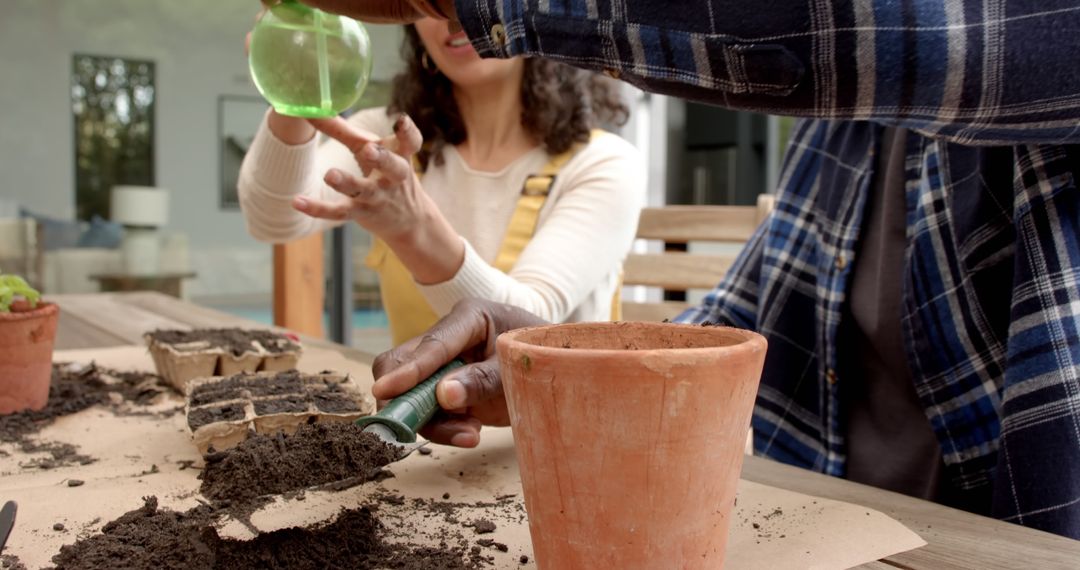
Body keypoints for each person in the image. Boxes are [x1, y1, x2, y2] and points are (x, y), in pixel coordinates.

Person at [300, 0, 1080, 539]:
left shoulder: (1015, 45)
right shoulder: (843, 141)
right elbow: (716, 342)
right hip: (815, 529)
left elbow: (849, 31)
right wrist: (549, 369)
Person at [238, 16, 645, 346]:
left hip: (550, 433)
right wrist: (293, 89)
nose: (453, 15)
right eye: (432, 1)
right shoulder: (389, 133)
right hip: (413, 432)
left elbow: (526, 328)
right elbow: (274, 218)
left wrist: (413, 230)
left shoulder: (603, 164)